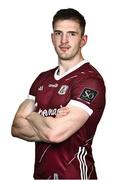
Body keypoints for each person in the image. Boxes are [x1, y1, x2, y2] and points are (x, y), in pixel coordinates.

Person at [11, 8, 106, 180]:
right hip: (40, 176)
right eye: (58, 33)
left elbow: (55, 134)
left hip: (75, 175)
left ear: (83, 40)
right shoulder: (42, 79)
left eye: (71, 34)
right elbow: (16, 127)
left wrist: (32, 116)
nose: (64, 40)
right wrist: (49, 123)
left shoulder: (90, 81)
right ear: (52, 38)